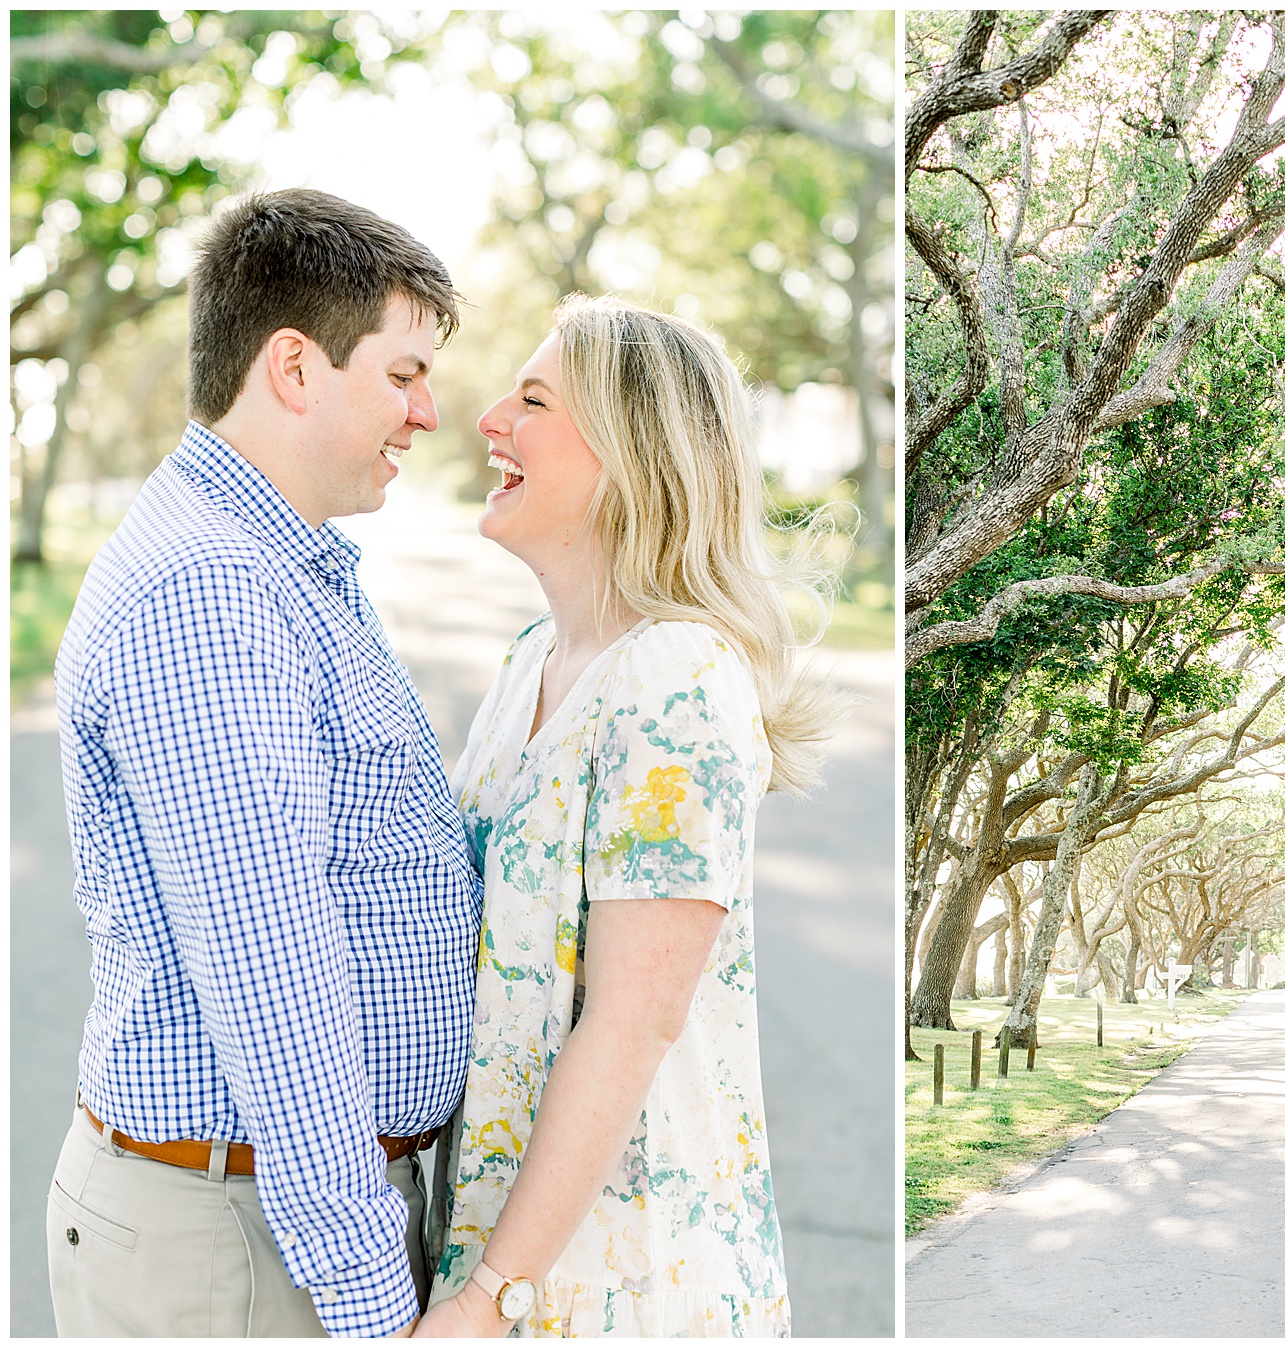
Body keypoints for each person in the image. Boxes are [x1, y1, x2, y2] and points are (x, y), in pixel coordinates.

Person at [46, 189, 479, 1337]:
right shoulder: (211, 594)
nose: (428, 412)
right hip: (239, 1243)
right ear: (294, 366)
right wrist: (371, 1296)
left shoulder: (279, 566)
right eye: (401, 375)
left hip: (260, 1213)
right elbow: (271, 970)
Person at [413, 296, 847, 1338]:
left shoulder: (678, 675)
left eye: (533, 400)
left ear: (627, 454)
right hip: (504, 1235)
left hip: (623, 1274)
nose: (488, 421)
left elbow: (632, 1019)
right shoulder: (532, 660)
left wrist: (488, 1296)